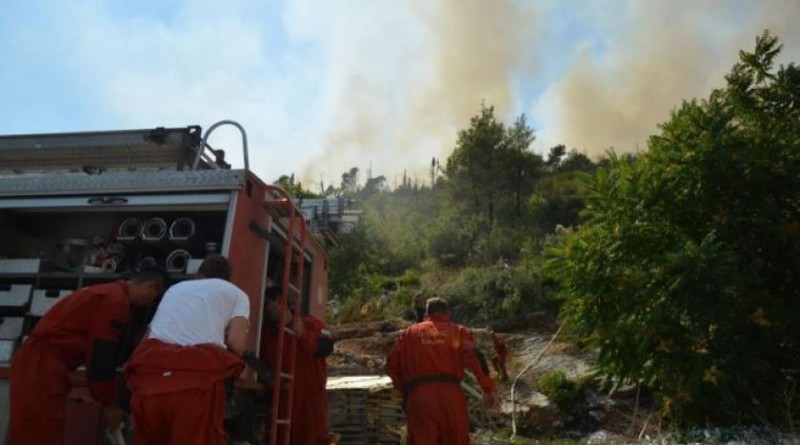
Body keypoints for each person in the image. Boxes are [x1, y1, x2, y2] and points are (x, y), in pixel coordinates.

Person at [8, 267, 168, 445]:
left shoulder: (106, 292)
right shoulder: (115, 301)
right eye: (152, 299)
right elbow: (101, 356)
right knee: (39, 432)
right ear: (151, 287)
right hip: (41, 365)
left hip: (39, 362)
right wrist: (109, 403)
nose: (147, 304)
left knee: (32, 429)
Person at [125, 255, 250, 445]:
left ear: (199, 275)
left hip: (149, 381)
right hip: (194, 386)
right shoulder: (236, 294)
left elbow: (147, 339)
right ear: (227, 279)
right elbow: (237, 344)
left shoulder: (175, 289)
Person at [386, 297, 496, 445]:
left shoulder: (408, 334)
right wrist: (487, 388)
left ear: (426, 314)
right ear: (448, 314)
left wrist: (405, 390)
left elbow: (392, 364)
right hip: (451, 397)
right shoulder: (458, 331)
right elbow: (474, 355)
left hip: (420, 397)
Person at [262, 286, 335, 444]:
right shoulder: (268, 336)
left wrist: (302, 335)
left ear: (280, 302)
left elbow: (327, 346)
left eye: (267, 304)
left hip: (311, 407)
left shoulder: (311, 324)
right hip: (283, 406)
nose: (265, 310)